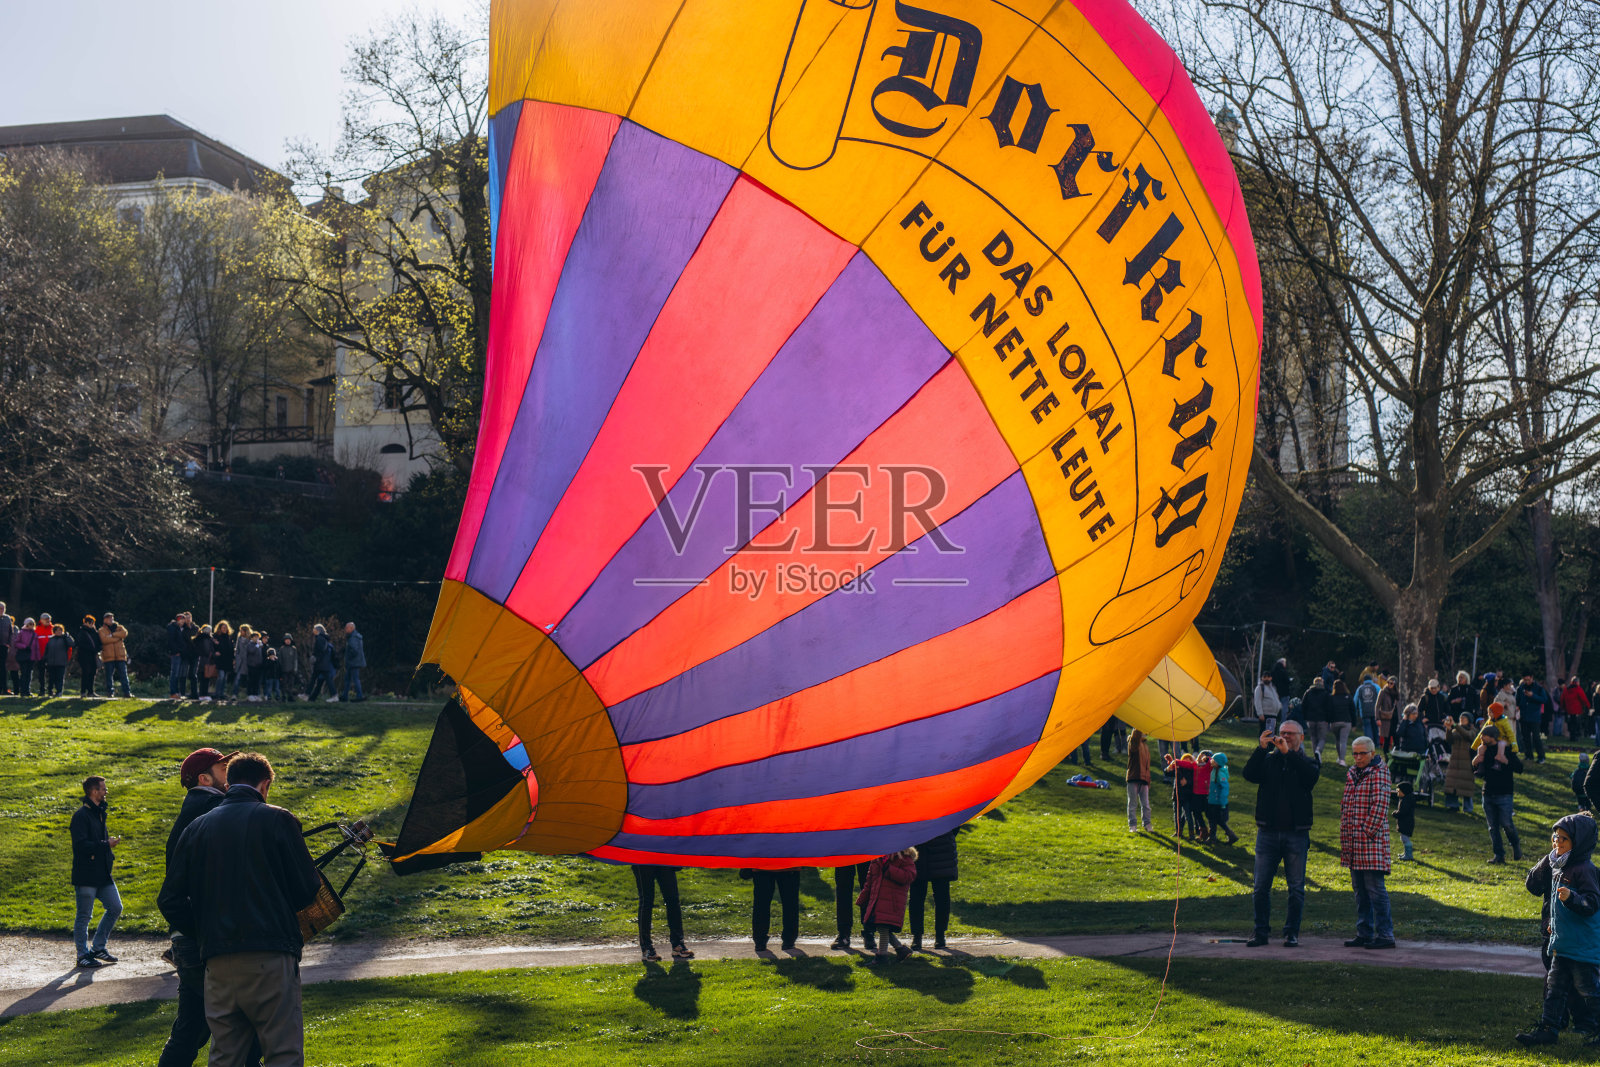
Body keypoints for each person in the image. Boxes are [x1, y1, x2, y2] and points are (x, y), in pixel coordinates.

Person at [157, 753, 323, 1067]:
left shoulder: (196, 826)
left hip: (217, 957)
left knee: (225, 1052)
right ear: (265, 784)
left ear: (230, 782)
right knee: (281, 1050)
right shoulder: (278, 818)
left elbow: (169, 899)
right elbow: (307, 889)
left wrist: (205, 929)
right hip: (269, 952)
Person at [158, 748, 250, 1067]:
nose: (230, 771)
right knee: (241, 1026)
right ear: (204, 778)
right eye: (223, 767)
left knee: (191, 1029)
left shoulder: (197, 809)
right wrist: (202, 933)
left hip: (191, 939)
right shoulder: (214, 808)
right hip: (205, 939)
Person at [1516, 814, 1600, 1048]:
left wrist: (1572, 897)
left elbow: (1591, 903)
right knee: (1554, 987)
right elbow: (1546, 897)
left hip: (1581, 945)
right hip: (1563, 942)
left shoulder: (1584, 869)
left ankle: (1591, 1027)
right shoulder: (1557, 865)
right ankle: (1548, 1029)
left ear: (1579, 841)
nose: (1557, 843)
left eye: (1564, 839)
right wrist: (1555, 924)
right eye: (1555, 837)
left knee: (1588, 989)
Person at [1242, 720, 1319, 947]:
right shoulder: (1268, 760)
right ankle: (1260, 932)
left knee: (1296, 888)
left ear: (1301, 737)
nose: (1284, 736)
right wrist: (1261, 748)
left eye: (1290, 734)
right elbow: (1249, 774)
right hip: (1267, 832)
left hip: (1296, 834)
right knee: (1260, 887)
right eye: (1282, 732)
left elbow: (1310, 778)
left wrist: (1289, 754)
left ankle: (1291, 933)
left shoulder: (1308, 761)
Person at [1339, 737, 1395, 949]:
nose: (1358, 757)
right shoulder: (1353, 773)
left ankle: (1385, 935)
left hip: (1370, 844)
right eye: (1355, 754)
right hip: (1353, 842)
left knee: (1375, 891)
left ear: (1372, 753)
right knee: (1360, 892)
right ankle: (1364, 932)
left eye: (1362, 753)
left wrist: (1365, 833)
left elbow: (1380, 807)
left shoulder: (1379, 773)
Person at [71, 775, 123, 969]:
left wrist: (106, 845)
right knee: (84, 916)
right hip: (86, 875)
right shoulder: (81, 816)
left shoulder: (99, 812)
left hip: (102, 874)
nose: (106, 791)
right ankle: (82, 954)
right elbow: (81, 846)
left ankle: (98, 947)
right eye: (103, 788)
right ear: (94, 791)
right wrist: (105, 844)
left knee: (115, 907)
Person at [1475, 724, 1525, 865]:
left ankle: (1515, 844)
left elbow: (1520, 768)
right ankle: (1499, 855)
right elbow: (1479, 771)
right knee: (1493, 827)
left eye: (1483, 735)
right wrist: (1477, 762)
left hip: (1504, 793)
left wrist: (1506, 761)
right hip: (1488, 793)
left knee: (1507, 824)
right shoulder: (1484, 750)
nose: (1481, 738)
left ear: (1491, 736)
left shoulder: (1506, 750)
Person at [857, 848, 918, 965]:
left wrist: (888, 869)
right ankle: (900, 949)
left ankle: (882, 956)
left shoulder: (903, 858)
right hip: (877, 901)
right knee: (882, 927)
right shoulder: (877, 859)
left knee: (883, 928)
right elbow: (869, 881)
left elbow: (908, 876)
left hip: (892, 901)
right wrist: (863, 899)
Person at [631, 865, 693, 962]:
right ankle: (647, 949)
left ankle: (678, 945)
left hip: (663, 857)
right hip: (642, 857)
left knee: (673, 899)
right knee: (646, 901)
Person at [909, 830, 957, 951]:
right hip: (939, 848)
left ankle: (918, 936)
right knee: (934, 897)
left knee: (920, 897)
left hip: (922, 846)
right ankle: (938, 936)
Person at [747, 867, 801, 952]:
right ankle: (789, 941)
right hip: (789, 864)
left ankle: (760, 942)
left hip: (761, 864)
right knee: (790, 904)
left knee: (761, 904)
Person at [830, 863, 870, 950]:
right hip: (846, 850)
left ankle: (869, 931)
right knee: (843, 886)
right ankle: (844, 933)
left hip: (854, 850)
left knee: (867, 885)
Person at [1443, 715, 1478, 815]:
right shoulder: (1456, 730)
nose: (1461, 720)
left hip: (1467, 762)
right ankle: (1453, 806)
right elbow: (1449, 740)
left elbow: (1468, 736)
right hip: (1454, 762)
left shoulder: (1473, 730)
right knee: (1452, 785)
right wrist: (1449, 729)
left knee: (1466, 786)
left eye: (1464, 718)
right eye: (1460, 718)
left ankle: (1468, 808)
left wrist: (1455, 725)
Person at [1517, 675, 1550, 764]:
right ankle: (1528, 755)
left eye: (1528, 680)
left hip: (1534, 716)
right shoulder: (1521, 688)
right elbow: (1518, 700)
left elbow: (1544, 699)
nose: (1527, 682)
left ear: (1532, 678)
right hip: (1524, 716)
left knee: (1536, 737)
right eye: (1525, 680)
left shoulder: (1539, 688)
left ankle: (1541, 756)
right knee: (1526, 737)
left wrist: (1533, 696)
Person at [1208, 751, 1238, 845]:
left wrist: (1222, 802)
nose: (1211, 760)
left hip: (1218, 802)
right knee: (1213, 820)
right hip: (1212, 800)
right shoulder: (1214, 770)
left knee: (1217, 820)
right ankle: (1213, 837)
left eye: (1213, 759)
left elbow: (1224, 788)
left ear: (1218, 762)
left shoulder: (1220, 774)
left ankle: (1229, 835)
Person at [1126, 728, 1153, 832]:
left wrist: (1148, 779)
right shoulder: (1133, 744)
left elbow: (1147, 765)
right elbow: (1134, 743)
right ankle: (1132, 825)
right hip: (1133, 777)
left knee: (1146, 804)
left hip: (1144, 779)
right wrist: (1138, 727)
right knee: (1133, 803)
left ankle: (1147, 823)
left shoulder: (1145, 746)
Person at [99, 613, 131, 698]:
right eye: (108, 618)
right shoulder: (101, 630)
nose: (111, 620)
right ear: (104, 620)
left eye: (112, 618)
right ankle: (110, 692)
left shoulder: (119, 627)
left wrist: (113, 635)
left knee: (124, 675)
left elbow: (124, 633)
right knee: (109, 676)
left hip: (120, 655)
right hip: (108, 656)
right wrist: (118, 638)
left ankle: (127, 692)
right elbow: (104, 640)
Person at [1327, 679, 1358, 766]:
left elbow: (1329, 711)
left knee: (1337, 740)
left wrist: (1328, 722)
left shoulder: (1331, 697)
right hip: (1346, 721)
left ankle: (1339, 757)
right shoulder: (1348, 697)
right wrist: (1354, 724)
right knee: (1343, 741)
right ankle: (1342, 760)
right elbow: (1353, 711)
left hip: (1334, 722)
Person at [1301, 677, 1331, 761]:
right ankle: (1318, 751)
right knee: (1322, 738)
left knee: (1313, 738)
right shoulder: (1325, 693)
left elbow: (1303, 705)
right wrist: (1328, 719)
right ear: (1322, 683)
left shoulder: (1308, 692)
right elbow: (1329, 708)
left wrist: (1305, 717)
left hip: (1310, 719)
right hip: (1322, 719)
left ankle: (1316, 757)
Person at [43, 622, 75, 697]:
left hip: (61, 662)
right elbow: (47, 650)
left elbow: (72, 644)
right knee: (51, 678)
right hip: (51, 662)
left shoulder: (65, 639)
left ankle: (59, 691)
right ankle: (50, 691)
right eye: (57, 630)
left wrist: (67, 636)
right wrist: (45, 659)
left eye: (60, 630)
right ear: (54, 632)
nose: (59, 632)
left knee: (59, 678)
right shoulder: (51, 639)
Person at [75, 615, 102, 698]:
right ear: (85, 623)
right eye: (90, 622)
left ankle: (90, 691)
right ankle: (83, 691)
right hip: (84, 656)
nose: (91, 624)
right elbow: (80, 644)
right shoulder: (82, 632)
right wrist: (92, 649)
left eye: (92, 623)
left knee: (93, 673)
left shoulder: (95, 632)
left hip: (93, 655)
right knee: (85, 673)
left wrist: (97, 649)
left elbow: (99, 643)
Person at [340, 621, 366, 702]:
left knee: (354, 679)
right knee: (348, 679)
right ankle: (345, 696)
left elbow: (354, 650)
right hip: (355, 662)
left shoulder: (353, 638)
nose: (345, 629)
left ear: (351, 628)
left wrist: (348, 657)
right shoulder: (355, 636)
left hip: (353, 662)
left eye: (347, 628)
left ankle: (359, 696)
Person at [309, 624, 336, 701]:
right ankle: (312, 698)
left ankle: (334, 695)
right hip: (325, 665)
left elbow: (321, 653)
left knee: (321, 680)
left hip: (323, 665)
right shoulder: (326, 642)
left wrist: (315, 659)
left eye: (314, 629)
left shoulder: (320, 640)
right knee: (320, 682)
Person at [167, 611, 191, 699]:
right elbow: (171, 641)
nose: (183, 623)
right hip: (175, 654)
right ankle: (173, 692)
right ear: (178, 620)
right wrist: (176, 651)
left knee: (177, 674)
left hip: (179, 653)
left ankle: (176, 692)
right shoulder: (173, 628)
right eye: (182, 620)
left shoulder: (178, 628)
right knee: (174, 673)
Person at [12, 617, 38, 697]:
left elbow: (37, 647)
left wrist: (37, 656)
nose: (32, 625)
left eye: (33, 624)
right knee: (24, 673)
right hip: (23, 656)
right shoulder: (21, 632)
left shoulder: (35, 634)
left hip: (32, 656)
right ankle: (23, 691)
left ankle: (27, 690)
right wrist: (24, 646)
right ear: (26, 624)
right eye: (30, 624)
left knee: (29, 674)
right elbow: (16, 643)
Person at [1392, 780, 1416, 862]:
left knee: (1405, 838)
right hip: (1405, 822)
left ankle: (1409, 855)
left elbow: (1403, 812)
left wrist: (1395, 813)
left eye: (1398, 791)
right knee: (1403, 838)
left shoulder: (1406, 800)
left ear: (1404, 791)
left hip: (1406, 823)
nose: (1397, 792)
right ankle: (1406, 853)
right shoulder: (1405, 799)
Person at [192, 625, 218, 702]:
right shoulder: (206, 638)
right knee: (205, 678)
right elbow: (207, 650)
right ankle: (203, 695)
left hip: (201, 660)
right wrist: (213, 654)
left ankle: (202, 694)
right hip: (205, 661)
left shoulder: (199, 638)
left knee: (203, 678)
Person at [213, 620, 236, 701]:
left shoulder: (229, 637)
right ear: (220, 628)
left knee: (225, 678)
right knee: (221, 677)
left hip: (228, 660)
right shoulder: (216, 636)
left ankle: (222, 694)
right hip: (220, 660)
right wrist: (215, 652)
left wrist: (233, 659)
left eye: (225, 627)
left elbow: (231, 649)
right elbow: (213, 647)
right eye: (223, 627)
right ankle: (217, 693)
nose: (224, 629)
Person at [1355, 672, 1381, 745]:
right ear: (1371, 679)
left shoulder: (1360, 688)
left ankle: (1369, 744)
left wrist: (1355, 712)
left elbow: (1355, 700)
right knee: (1375, 728)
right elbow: (1381, 697)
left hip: (1364, 712)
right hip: (1375, 712)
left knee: (1367, 728)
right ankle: (1377, 744)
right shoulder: (1376, 687)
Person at [1376, 675, 1400, 754]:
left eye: (1391, 683)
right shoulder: (1383, 692)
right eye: (1388, 683)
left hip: (1395, 717)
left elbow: (1399, 705)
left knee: (1396, 739)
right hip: (1386, 719)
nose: (1389, 684)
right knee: (1387, 739)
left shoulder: (1397, 693)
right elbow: (1377, 705)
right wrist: (1377, 718)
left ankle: (1396, 755)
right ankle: (1386, 756)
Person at [1564, 679, 1592, 744]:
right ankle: (1575, 737)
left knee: (1570, 724)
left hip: (1569, 710)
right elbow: (1583, 698)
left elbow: (1563, 698)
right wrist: (1588, 706)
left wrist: (1564, 707)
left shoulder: (1566, 689)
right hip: (1577, 710)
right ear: (1577, 682)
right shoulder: (1578, 689)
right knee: (1576, 724)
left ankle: (1571, 737)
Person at [278, 636, 300, 701]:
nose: (288, 641)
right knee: (284, 684)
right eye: (286, 640)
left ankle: (290, 696)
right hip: (284, 670)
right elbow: (280, 660)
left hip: (291, 670)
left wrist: (295, 669)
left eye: (289, 640)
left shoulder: (293, 649)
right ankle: (283, 696)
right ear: (284, 641)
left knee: (291, 684)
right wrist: (280, 669)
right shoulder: (282, 649)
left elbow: (295, 659)